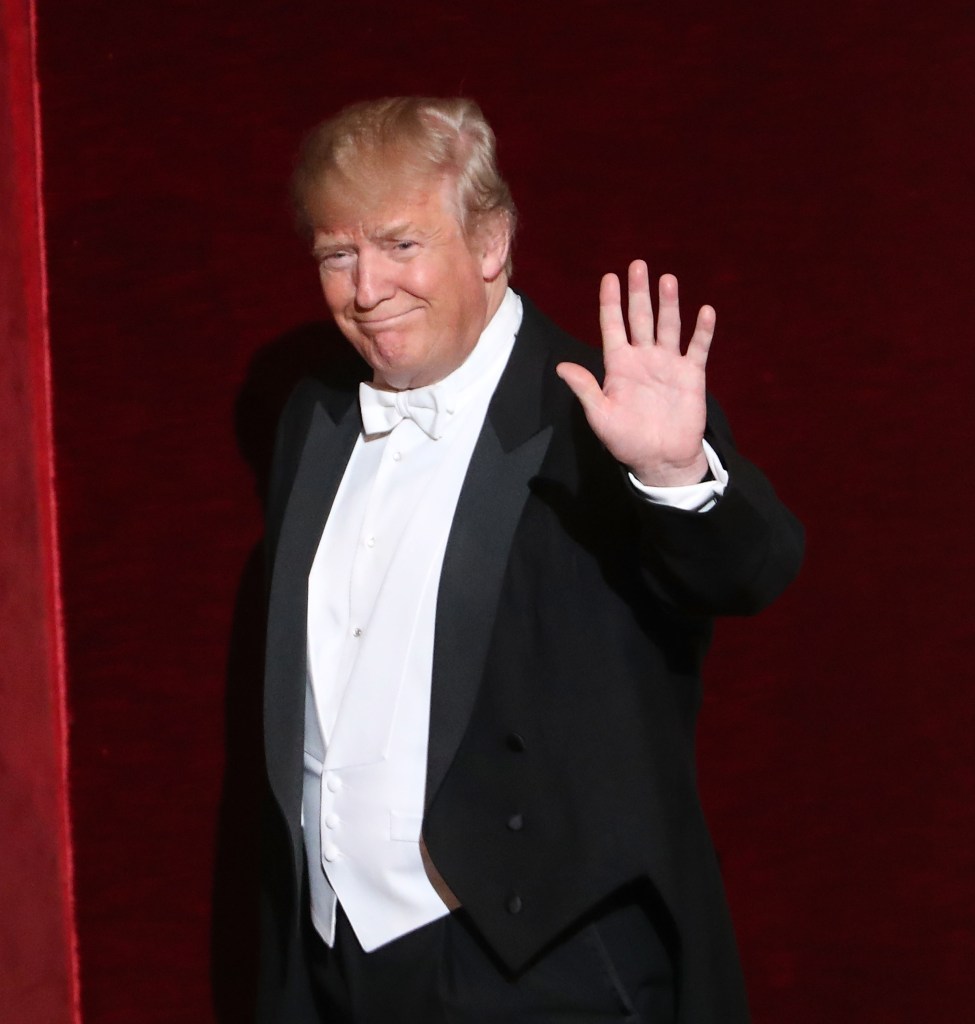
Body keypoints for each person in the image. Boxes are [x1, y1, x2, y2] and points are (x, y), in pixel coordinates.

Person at [256, 95, 803, 1024]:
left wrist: (673, 470)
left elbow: (748, 571)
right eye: (337, 255)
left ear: (491, 241)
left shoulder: (594, 418)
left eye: (400, 244)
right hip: (338, 965)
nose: (367, 287)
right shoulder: (315, 421)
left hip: (539, 964)